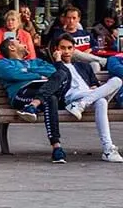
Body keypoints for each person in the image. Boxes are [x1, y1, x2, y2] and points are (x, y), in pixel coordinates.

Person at [0, 37, 70, 164]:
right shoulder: (3, 63)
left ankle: (56, 146)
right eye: (20, 42)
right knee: (50, 97)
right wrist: (38, 75)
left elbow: (53, 71)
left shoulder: (36, 61)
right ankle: (57, 148)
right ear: (12, 47)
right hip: (21, 95)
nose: (24, 44)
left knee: (61, 77)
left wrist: (27, 70)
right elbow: (13, 74)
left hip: (40, 95)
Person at [52, 33, 123, 162]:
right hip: (71, 98)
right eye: (62, 48)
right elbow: (57, 79)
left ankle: (107, 150)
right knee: (100, 99)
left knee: (116, 82)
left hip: (88, 97)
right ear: (56, 49)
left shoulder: (83, 66)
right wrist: (57, 61)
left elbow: (94, 84)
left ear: (74, 49)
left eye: (69, 48)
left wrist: (95, 89)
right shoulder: (53, 67)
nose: (66, 51)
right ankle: (108, 149)